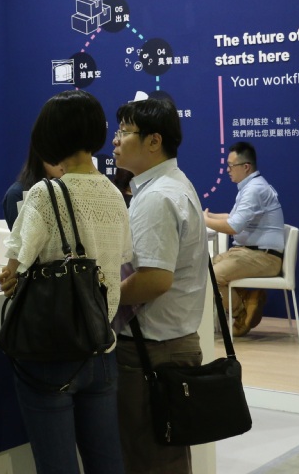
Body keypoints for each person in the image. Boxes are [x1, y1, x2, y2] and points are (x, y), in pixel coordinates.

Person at [0, 91, 131, 474]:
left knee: (57, 465)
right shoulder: (115, 193)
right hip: (101, 345)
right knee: (107, 462)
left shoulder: (45, 193)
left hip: (51, 349)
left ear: (50, 135)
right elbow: (121, 257)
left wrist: (9, 275)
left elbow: (13, 269)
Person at [112, 96, 208, 474]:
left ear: (154, 141)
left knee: (149, 459)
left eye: (124, 131)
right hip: (168, 346)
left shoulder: (157, 197)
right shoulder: (172, 185)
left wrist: (102, 296)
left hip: (153, 351)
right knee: (165, 457)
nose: (116, 140)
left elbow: (154, 280)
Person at [204, 141, 285, 336]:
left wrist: (205, 221)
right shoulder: (250, 187)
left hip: (264, 257)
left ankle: (242, 312)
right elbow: (233, 218)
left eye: (231, 166)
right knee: (201, 271)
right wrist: (209, 216)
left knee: (210, 277)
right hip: (249, 253)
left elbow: (233, 226)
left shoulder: (254, 190)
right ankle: (248, 300)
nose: (228, 170)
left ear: (246, 167)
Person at [0, 142, 65, 229]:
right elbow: (19, 235)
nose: (64, 163)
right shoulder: (17, 194)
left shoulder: (64, 189)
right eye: (59, 156)